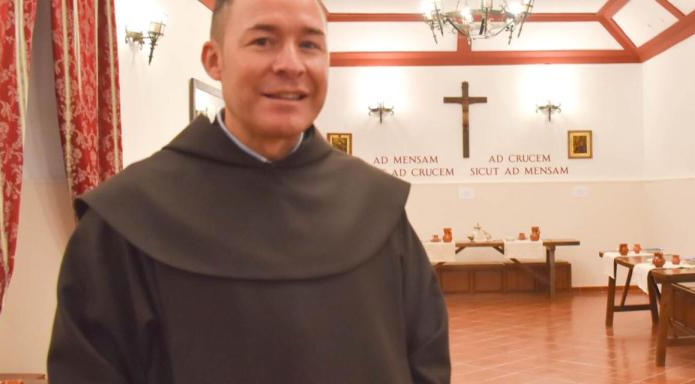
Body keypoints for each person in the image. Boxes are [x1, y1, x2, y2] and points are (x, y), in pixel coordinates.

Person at [46, 0, 451, 382]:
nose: (291, 64)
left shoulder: (375, 207)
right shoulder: (127, 219)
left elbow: (426, 357)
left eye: (309, 44)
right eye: (263, 41)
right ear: (214, 59)